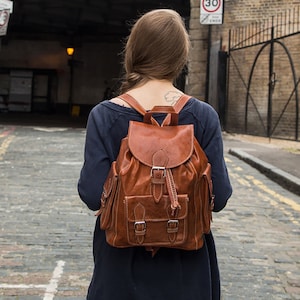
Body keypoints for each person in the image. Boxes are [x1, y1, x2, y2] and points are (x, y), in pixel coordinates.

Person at [78, 9, 232, 300]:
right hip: (188, 274)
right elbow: (220, 197)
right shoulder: (204, 117)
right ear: (180, 57)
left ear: (133, 51)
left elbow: (91, 193)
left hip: (119, 271)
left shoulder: (104, 115)